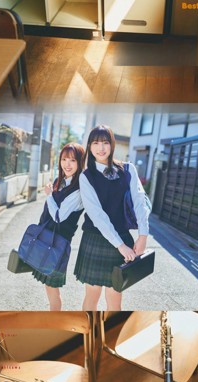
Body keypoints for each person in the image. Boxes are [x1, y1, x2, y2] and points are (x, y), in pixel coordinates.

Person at [74, 125, 150, 311]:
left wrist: (143, 235)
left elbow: (140, 203)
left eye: (105, 142)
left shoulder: (128, 170)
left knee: (115, 299)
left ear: (112, 145)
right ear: (90, 147)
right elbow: (97, 215)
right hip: (96, 239)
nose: (101, 148)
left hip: (122, 236)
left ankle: (113, 335)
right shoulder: (86, 176)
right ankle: (86, 332)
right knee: (92, 296)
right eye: (96, 143)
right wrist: (120, 245)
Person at [32, 143, 84, 310]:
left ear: (80, 163)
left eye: (72, 160)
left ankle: (54, 321)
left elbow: (58, 216)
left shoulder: (78, 189)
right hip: (48, 240)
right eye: (64, 159)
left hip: (58, 245)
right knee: (48, 287)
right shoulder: (60, 181)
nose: (67, 164)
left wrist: (49, 196)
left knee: (52, 289)